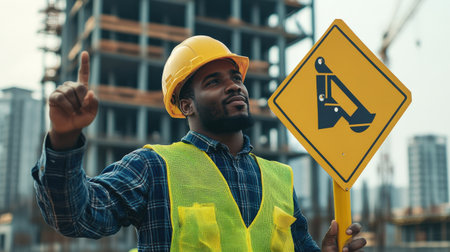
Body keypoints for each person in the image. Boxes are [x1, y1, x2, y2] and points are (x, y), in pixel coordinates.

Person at [32, 35, 366, 251]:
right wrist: (63, 139)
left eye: (236, 78)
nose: (234, 86)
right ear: (187, 104)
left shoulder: (279, 178)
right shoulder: (154, 167)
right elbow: (77, 215)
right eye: (214, 81)